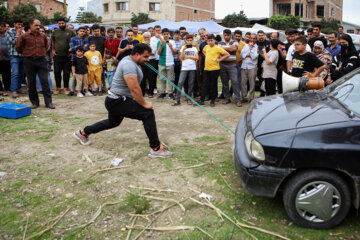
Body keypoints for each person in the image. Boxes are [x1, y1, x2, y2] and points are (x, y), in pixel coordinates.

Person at [73, 44, 172, 158]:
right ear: (136, 54)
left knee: (113, 122)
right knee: (147, 113)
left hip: (115, 100)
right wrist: (144, 104)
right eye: (145, 56)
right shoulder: (129, 64)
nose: (148, 59)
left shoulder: (133, 61)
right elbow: (134, 88)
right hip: (117, 101)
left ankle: (82, 133)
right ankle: (156, 149)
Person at [15, 18, 54, 109]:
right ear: (31, 25)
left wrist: (41, 53)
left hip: (41, 61)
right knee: (31, 83)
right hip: (29, 61)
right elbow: (18, 47)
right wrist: (27, 53)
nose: (38, 27)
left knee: (45, 81)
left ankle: (49, 103)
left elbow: (46, 46)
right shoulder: (24, 36)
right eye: (36, 25)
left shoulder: (43, 36)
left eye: (39, 25)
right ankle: (35, 102)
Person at [199, 34, 230, 107]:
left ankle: (213, 100)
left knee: (213, 84)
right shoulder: (206, 47)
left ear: (214, 40)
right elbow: (203, 51)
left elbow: (227, 54)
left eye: (211, 41)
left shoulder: (218, 48)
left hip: (215, 69)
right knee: (205, 84)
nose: (210, 42)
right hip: (206, 68)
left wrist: (220, 59)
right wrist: (207, 56)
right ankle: (202, 99)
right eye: (208, 41)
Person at [172, 34, 199, 106]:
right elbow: (181, 58)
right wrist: (184, 50)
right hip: (184, 67)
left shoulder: (194, 48)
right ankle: (177, 100)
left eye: (191, 40)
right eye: (188, 40)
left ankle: (189, 98)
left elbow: (197, 58)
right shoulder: (183, 47)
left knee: (191, 83)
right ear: (185, 40)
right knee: (180, 82)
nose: (189, 42)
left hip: (192, 68)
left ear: (192, 40)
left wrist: (189, 56)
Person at [218, 29, 241, 106]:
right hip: (222, 64)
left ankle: (238, 99)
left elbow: (234, 49)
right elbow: (219, 51)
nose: (226, 36)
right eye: (225, 35)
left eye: (228, 35)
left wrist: (223, 49)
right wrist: (228, 48)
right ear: (223, 35)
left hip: (232, 64)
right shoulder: (220, 42)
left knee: (235, 82)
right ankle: (227, 98)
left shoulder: (235, 42)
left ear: (230, 35)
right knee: (225, 83)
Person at [6, 19, 25, 98]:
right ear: (14, 24)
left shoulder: (23, 33)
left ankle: (18, 87)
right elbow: (13, 42)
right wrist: (18, 34)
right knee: (15, 73)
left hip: (22, 55)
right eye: (18, 24)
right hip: (14, 55)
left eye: (21, 24)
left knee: (22, 73)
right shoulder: (9, 32)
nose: (19, 26)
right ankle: (14, 90)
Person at [156, 28, 176, 100]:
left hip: (170, 63)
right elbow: (158, 53)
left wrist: (171, 47)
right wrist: (161, 45)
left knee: (170, 79)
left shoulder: (172, 42)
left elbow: (174, 53)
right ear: (162, 34)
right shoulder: (159, 42)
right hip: (161, 62)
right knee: (162, 79)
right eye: (164, 34)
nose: (166, 35)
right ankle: (163, 93)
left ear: (169, 34)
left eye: (167, 34)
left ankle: (170, 93)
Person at [241, 35, 258, 103]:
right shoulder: (245, 46)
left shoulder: (257, 47)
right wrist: (248, 55)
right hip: (244, 66)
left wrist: (250, 49)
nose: (252, 40)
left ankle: (251, 98)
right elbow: (241, 55)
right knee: (243, 83)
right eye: (251, 38)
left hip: (252, 67)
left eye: (254, 38)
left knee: (252, 83)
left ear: (256, 40)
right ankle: (244, 97)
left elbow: (254, 57)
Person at [36, 26, 53, 93]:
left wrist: (51, 60)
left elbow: (48, 49)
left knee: (47, 74)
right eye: (40, 31)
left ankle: (50, 89)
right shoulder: (34, 38)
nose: (41, 32)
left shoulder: (47, 38)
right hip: (36, 59)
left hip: (45, 59)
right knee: (37, 74)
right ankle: (40, 89)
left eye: (43, 31)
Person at [148, 25, 162, 97]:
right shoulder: (151, 39)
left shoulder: (162, 38)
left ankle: (163, 90)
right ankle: (152, 89)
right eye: (156, 30)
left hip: (161, 59)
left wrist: (160, 38)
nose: (157, 32)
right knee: (152, 75)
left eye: (159, 30)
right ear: (154, 31)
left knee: (162, 75)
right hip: (153, 58)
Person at [256, 30, 270, 97]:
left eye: (262, 35)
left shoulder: (268, 43)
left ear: (264, 35)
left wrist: (260, 53)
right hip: (256, 63)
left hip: (265, 64)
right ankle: (261, 92)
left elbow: (269, 55)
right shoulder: (255, 43)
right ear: (257, 36)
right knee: (259, 78)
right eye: (259, 35)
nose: (261, 36)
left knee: (265, 79)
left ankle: (263, 93)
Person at [0, 22, 11, 96]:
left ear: (4, 27)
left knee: (7, 74)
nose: (0, 28)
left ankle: (7, 87)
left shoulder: (8, 35)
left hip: (7, 58)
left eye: (1, 26)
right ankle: (0, 89)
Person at [172, 30, 183, 95]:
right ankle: (175, 89)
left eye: (178, 35)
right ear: (173, 35)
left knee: (180, 77)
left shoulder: (182, 42)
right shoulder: (172, 42)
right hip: (173, 61)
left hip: (180, 61)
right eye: (175, 35)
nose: (176, 36)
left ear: (179, 35)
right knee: (175, 77)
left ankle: (180, 89)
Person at [235, 30, 246, 96]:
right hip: (231, 64)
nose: (237, 37)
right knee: (233, 81)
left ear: (241, 36)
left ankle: (238, 95)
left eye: (239, 36)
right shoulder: (232, 43)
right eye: (236, 36)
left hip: (239, 65)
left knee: (238, 81)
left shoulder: (244, 44)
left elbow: (244, 55)